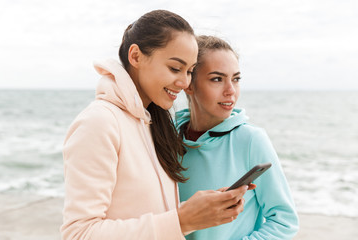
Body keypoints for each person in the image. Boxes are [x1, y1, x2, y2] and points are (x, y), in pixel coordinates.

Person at [61, 10, 250, 240]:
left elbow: (151, 217)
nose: (184, 82)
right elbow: (79, 234)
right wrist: (182, 220)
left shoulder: (153, 124)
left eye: (189, 71)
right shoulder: (99, 123)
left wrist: (201, 213)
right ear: (136, 56)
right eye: (174, 68)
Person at [176, 35, 299, 240]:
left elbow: (284, 221)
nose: (230, 91)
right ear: (189, 83)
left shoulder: (251, 139)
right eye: (217, 79)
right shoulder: (166, 137)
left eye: (236, 79)